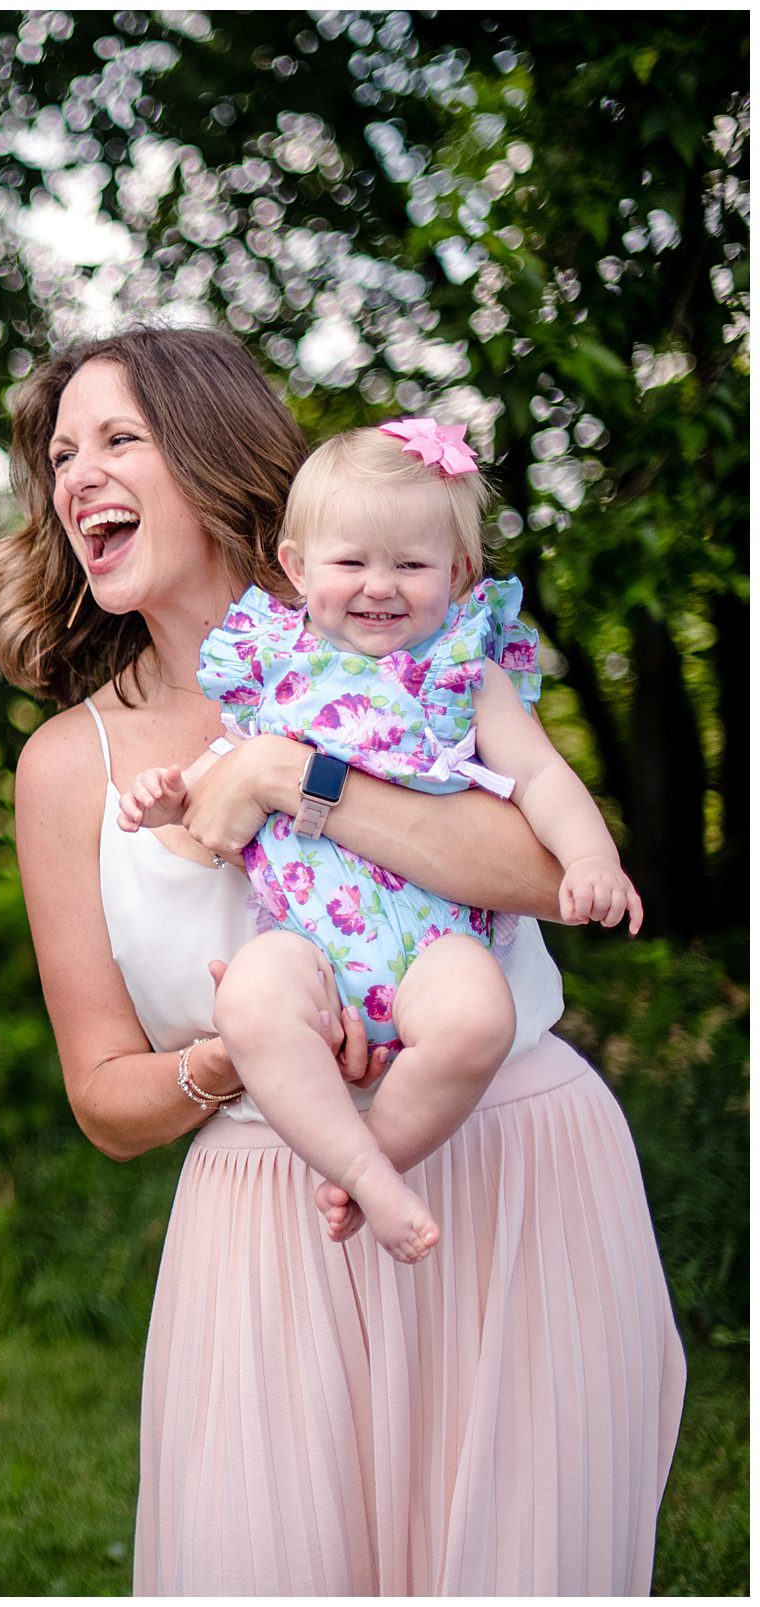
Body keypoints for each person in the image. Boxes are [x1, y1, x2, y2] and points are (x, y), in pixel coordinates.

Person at [0, 327, 683, 1593]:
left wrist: (297, 776)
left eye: (118, 439)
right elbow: (104, 1099)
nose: (76, 473)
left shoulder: (408, 647)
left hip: (514, 1157)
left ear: (213, 455)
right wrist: (237, 1053)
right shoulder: (66, 764)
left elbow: (545, 874)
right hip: (270, 1209)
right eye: (60, 452)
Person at [118, 420, 644, 1262]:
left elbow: (543, 778)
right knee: (249, 1002)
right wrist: (166, 800)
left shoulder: (467, 673)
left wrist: (590, 859)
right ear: (296, 567)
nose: (379, 586)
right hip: (308, 946)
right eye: (351, 562)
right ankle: (361, 1169)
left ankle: (372, 1167)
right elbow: (222, 797)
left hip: (436, 943)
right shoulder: (268, 663)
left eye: (410, 564)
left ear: (459, 573)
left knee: (480, 1018)